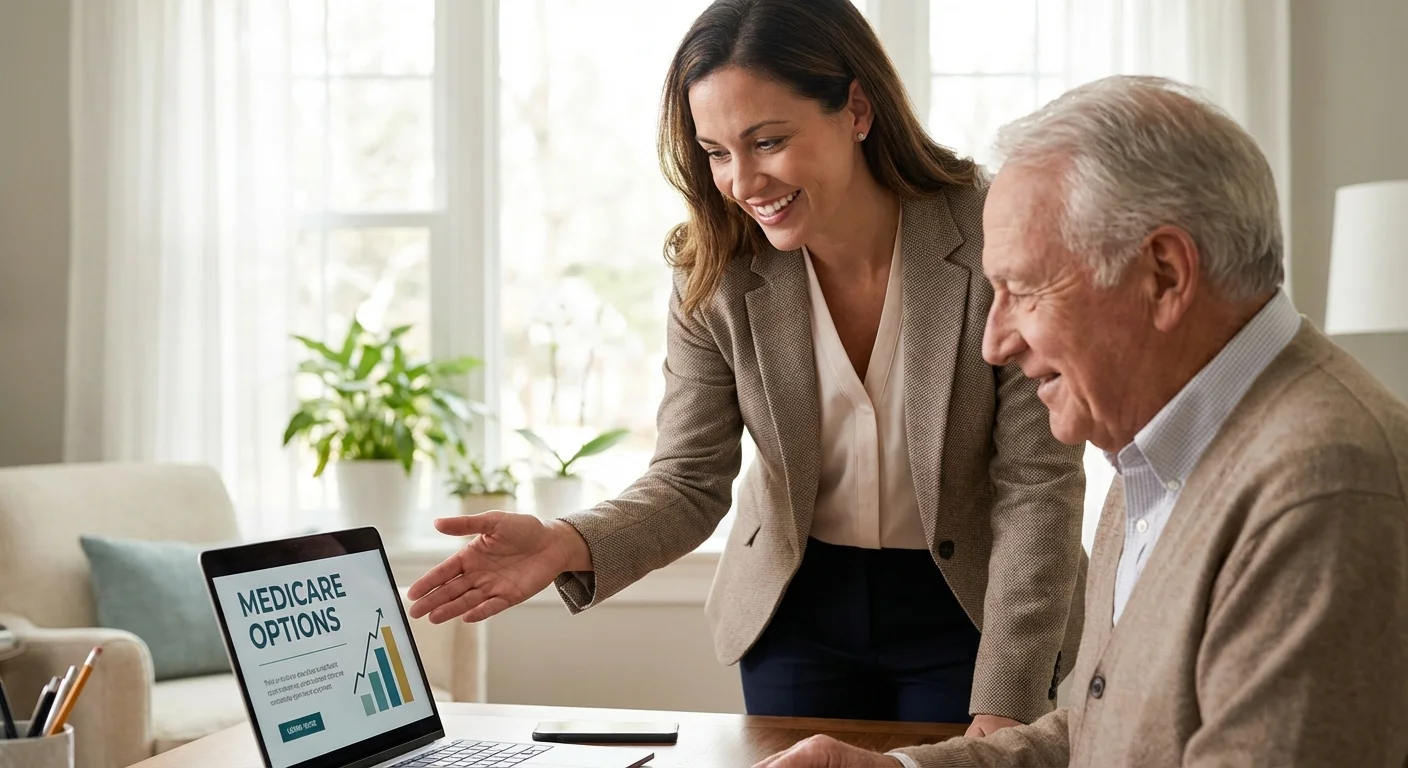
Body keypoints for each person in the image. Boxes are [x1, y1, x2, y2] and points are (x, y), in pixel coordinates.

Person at [408, 0, 1087, 731]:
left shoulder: (992, 233)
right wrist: (564, 542)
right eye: (715, 151)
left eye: (767, 141)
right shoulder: (716, 268)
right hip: (797, 613)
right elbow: (688, 479)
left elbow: (1037, 486)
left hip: (974, 605)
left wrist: (1004, 703)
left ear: (856, 108)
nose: (742, 181)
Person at [755, 75, 1408, 768]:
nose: (994, 343)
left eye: (1025, 291)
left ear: (1163, 274)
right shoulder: (1157, 451)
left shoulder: (1324, 493)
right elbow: (1109, 731)